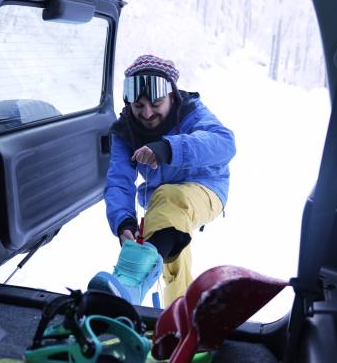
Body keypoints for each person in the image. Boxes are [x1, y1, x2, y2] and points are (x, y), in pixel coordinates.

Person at [88, 54, 235, 307]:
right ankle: (180, 313)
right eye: (139, 105)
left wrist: (168, 149)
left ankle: (132, 281)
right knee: (173, 256)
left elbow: (225, 143)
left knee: (167, 197)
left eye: (156, 103)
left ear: (171, 96)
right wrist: (124, 221)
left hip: (208, 189)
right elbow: (119, 181)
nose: (147, 113)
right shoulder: (126, 131)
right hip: (163, 205)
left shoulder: (190, 112)